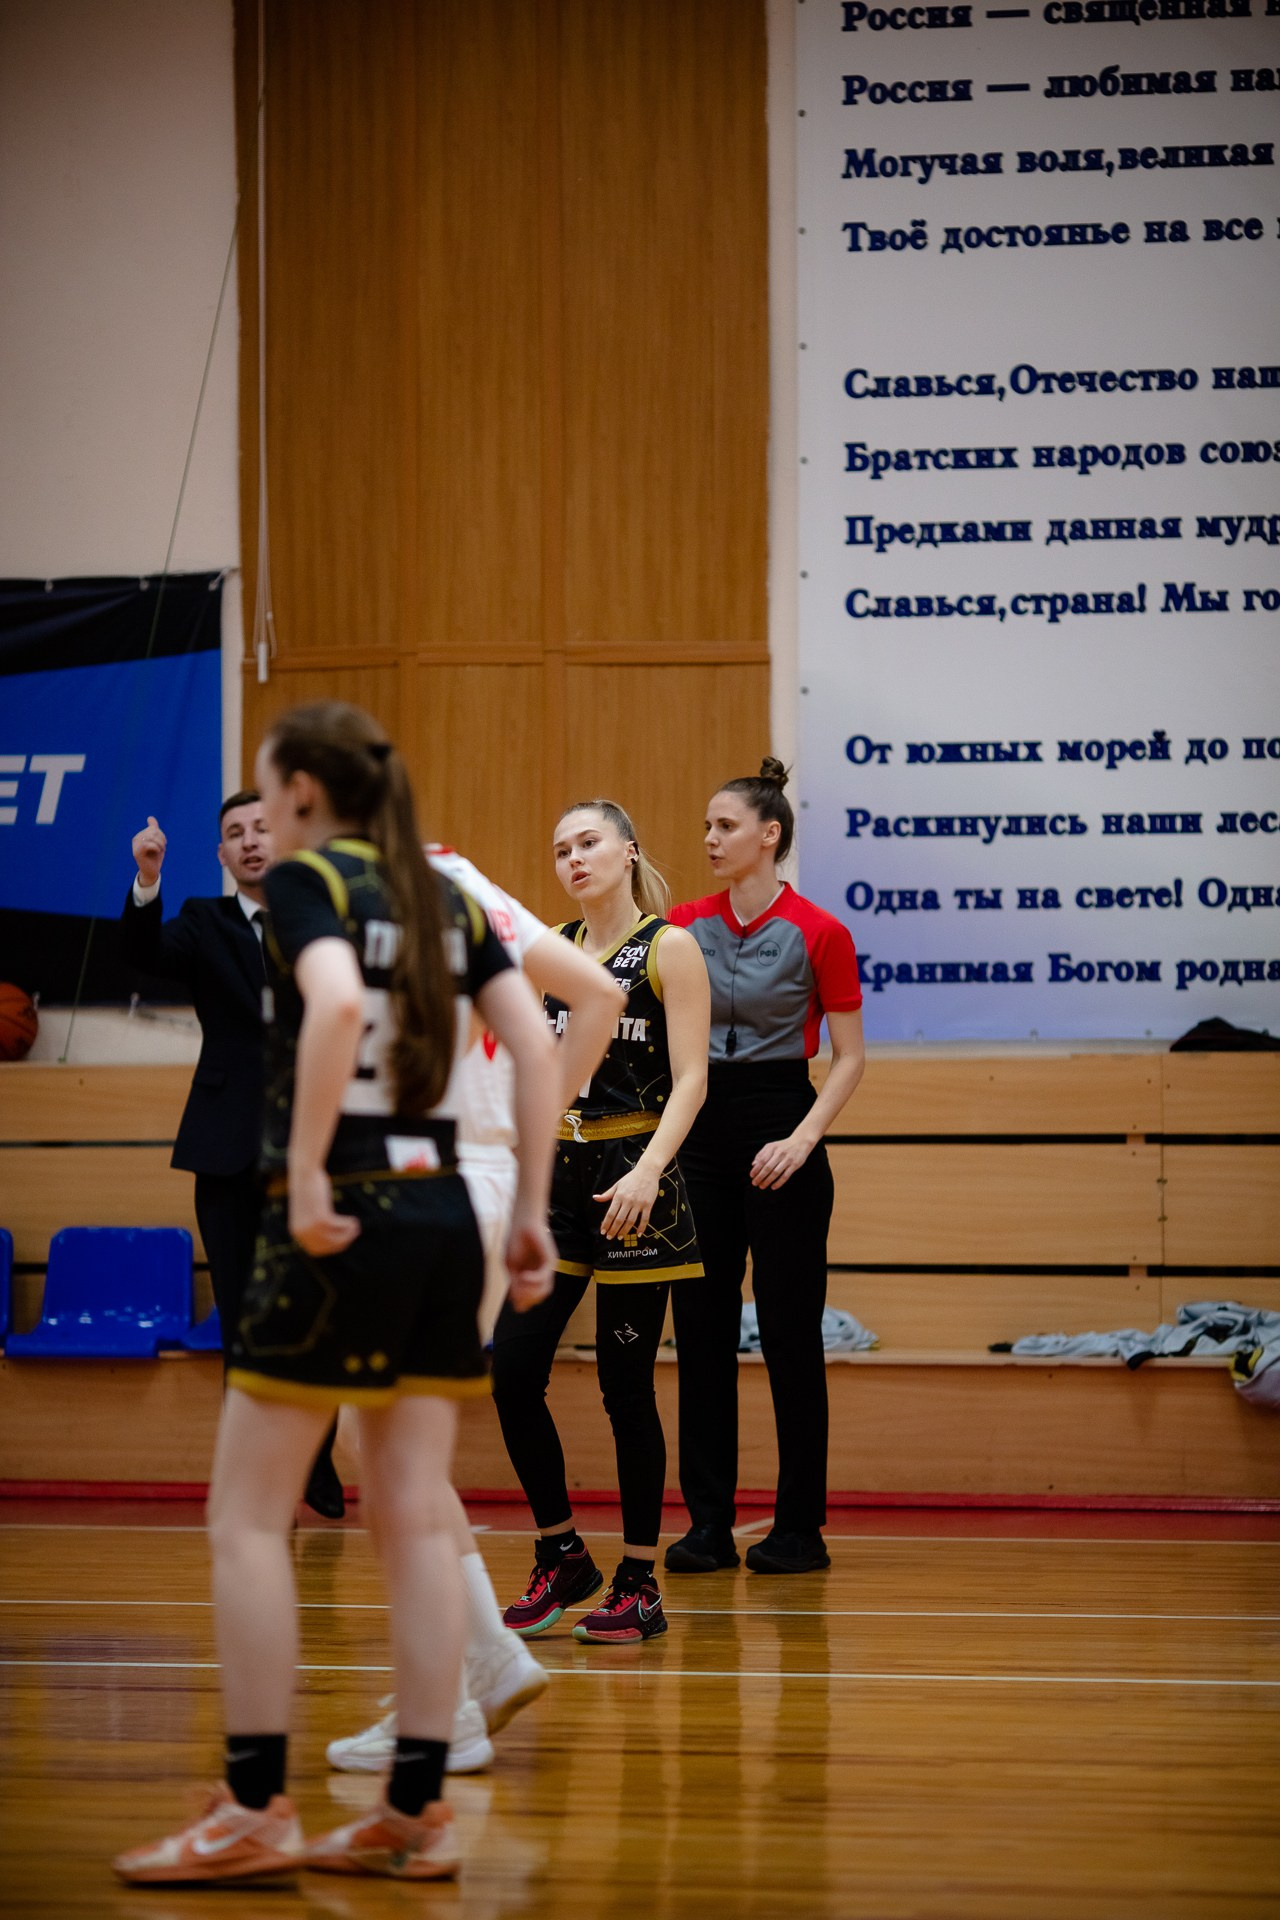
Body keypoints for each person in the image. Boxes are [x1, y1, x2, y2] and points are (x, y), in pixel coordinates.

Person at [112, 701, 560, 1886]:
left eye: (268, 790)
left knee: (246, 1518)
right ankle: (413, 1811)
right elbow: (537, 1043)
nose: (262, 815)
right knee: (410, 1514)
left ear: (304, 791)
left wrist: (307, 1170)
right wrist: (530, 1210)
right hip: (444, 1210)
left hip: (347, 1211)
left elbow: (341, 1005)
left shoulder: (314, 884)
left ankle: (255, 1805)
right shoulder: (441, 898)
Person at [326, 842, 624, 1776]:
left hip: (428, 1177)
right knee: (381, 1441)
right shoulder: (463, 877)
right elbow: (599, 995)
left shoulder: (362, 888)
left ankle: (451, 1702)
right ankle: (480, 1662)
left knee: (378, 1445)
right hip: (486, 1178)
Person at [491, 799, 710, 1645]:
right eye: (561, 849)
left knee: (626, 1390)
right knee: (513, 1372)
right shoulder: (552, 948)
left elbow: (692, 1078)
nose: (574, 858)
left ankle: (640, 1582)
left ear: (628, 851)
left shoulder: (669, 947)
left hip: (636, 1179)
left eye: (588, 842)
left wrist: (649, 1170)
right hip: (559, 1174)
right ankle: (562, 1554)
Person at [663, 759, 865, 1577]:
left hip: (784, 1125)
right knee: (701, 1335)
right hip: (699, 1134)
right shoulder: (681, 925)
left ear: (768, 835)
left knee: (789, 1338)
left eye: (726, 826)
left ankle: (799, 1529)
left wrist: (802, 1140)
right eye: (708, 827)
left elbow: (850, 1058)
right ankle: (708, 1526)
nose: (710, 839)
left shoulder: (822, 931)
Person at [122, 796, 344, 1518]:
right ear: (222, 855)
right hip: (226, 1150)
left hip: (317, 1150)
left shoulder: (323, 922)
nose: (250, 842)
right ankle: (253, 1479)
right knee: (243, 1322)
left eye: (262, 830)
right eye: (235, 835)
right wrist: (147, 879)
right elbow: (142, 957)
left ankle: (315, 1455)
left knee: (314, 1312)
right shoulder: (203, 920)